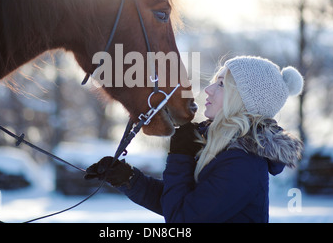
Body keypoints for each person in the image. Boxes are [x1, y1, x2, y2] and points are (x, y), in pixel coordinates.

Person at [85, 56, 304, 223]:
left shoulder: (243, 163)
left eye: (221, 84)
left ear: (242, 99)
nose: (208, 90)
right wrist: (129, 179)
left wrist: (181, 156)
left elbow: (182, 218)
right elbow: (182, 202)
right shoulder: (224, 149)